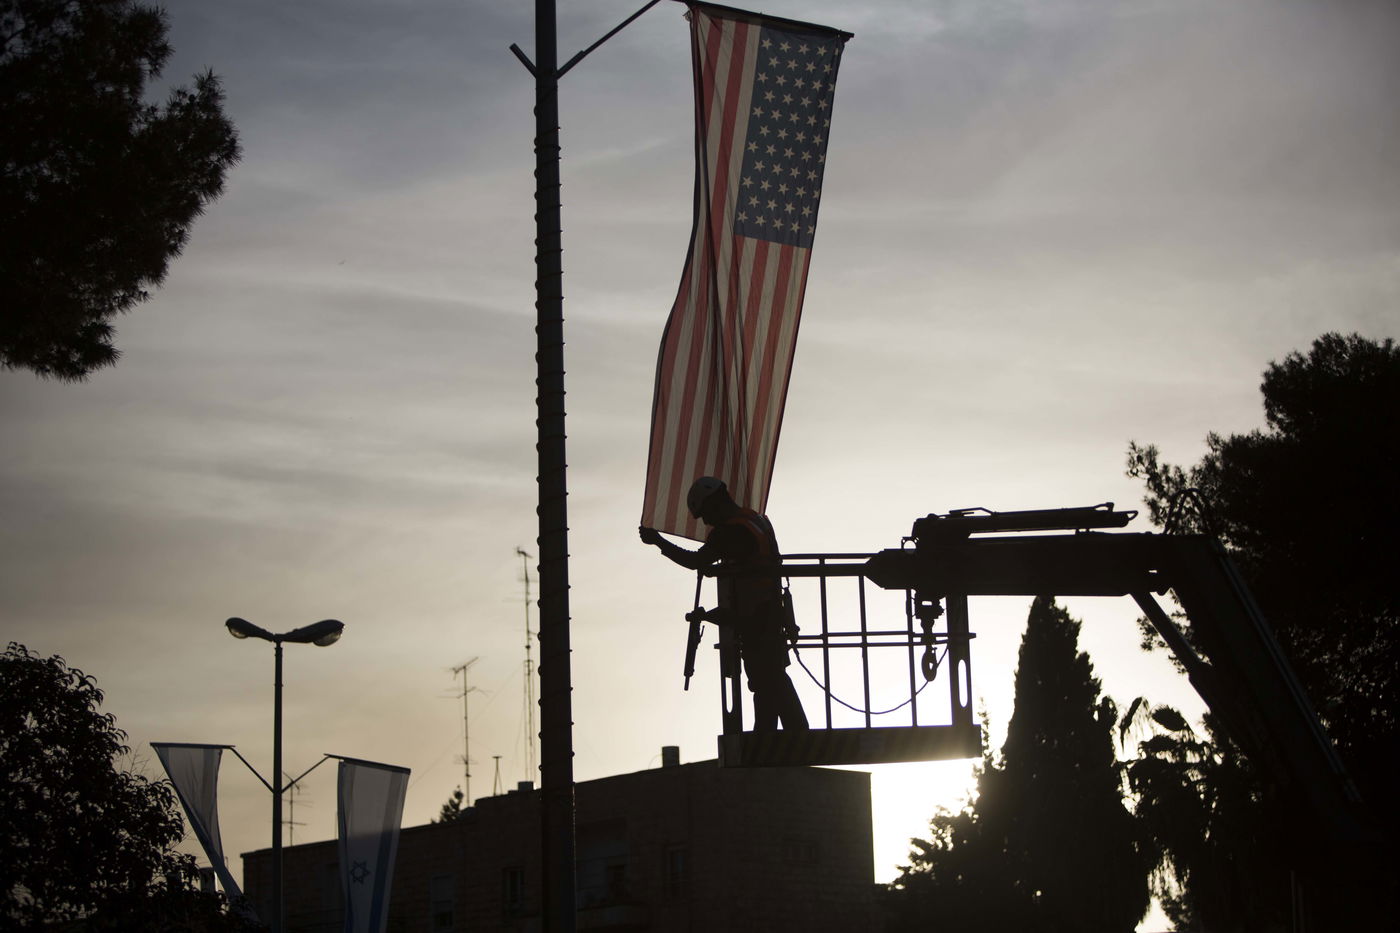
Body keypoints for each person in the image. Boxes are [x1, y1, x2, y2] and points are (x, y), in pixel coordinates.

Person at [640, 477, 808, 732]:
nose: (706, 522)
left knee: (769, 681)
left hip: (757, 619)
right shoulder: (756, 520)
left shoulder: (731, 531)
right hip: (770, 613)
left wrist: (658, 541)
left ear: (714, 503)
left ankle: (792, 734)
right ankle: (773, 735)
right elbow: (744, 566)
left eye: (705, 514)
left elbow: (698, 561)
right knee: (769, 681)